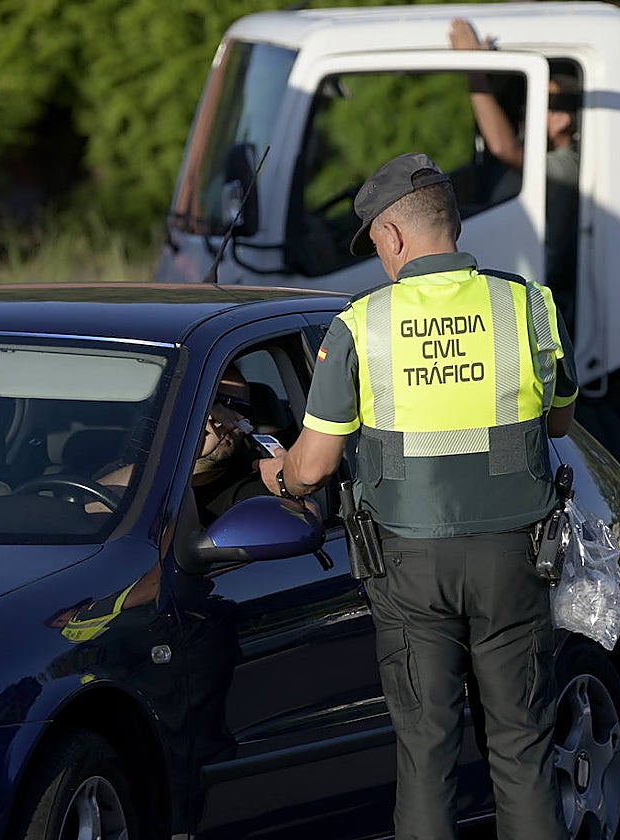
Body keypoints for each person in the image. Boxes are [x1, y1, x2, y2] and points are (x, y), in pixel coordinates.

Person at [258, 152, 578, 840]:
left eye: (375, 244)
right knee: (522, 753)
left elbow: (313, 469)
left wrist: (275, 475)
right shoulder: (526, 304)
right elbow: (558, 421)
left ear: (394, 237)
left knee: (427, 753)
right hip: (514, 559)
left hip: (410, 570)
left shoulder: (360, 325)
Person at [449, 17, 581, 318]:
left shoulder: (566, 167)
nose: (525, 109)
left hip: (536, 297)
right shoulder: (536, 162)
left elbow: (504, 147)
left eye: (542, 101)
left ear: (563, 119)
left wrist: (474, 72)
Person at [96, 364, 268, 524]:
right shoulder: (131, 471)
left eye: (239, 408)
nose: (224, 417)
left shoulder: (249, 493)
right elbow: (89, 510)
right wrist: (180, 450)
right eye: (212, 402)